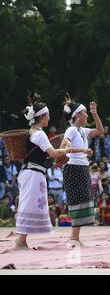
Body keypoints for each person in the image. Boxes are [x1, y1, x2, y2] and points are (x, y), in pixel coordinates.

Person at [15, 94, 72, 249]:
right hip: (33, 173)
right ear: (41, 117)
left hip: (31, 171)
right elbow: (53, 153)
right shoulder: (39, 134)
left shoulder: (32, 132)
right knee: (28, 204)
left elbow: (47, 153)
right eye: (47, 115)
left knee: (30, 203)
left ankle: (22, 240)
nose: (49, 118)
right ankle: (20, 241)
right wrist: (67, 149)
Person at [60, 93, 104, 247]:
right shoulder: (71, 130)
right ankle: (73, 237)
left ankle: (76, 237)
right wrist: (83, 150)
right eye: (84, 112)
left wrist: (94, 113)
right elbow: (65, 147)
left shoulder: (82, 131)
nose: (86, 115)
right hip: (73, 167)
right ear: (77, 115)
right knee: (77, 200)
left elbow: (100, 130)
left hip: (81, 167)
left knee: (83, 200)